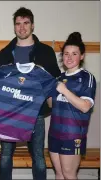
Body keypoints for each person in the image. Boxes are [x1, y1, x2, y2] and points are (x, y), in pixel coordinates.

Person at [0, 7, 61, 180]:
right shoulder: (6, 53)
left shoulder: (46, 52)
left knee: (38, 157)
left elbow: (55, 80)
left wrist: (52, 101)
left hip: (36, 114)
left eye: (26, 23)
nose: (22, 27)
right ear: (14, 26)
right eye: (18, 24)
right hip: (9, 114)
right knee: (5, 157)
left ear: (32, 25)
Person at [48, 32, 96, 180]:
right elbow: (52, 105)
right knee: (59, 174)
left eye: (74, 53)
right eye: (66, 53)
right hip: (55, 133)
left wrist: (64, 90)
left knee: (69, 174)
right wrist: (46, 92)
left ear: (81, 56)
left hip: (72, 135)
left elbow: (85, 106)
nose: (69, 57)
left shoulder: (87, 77)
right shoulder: (59, 78)